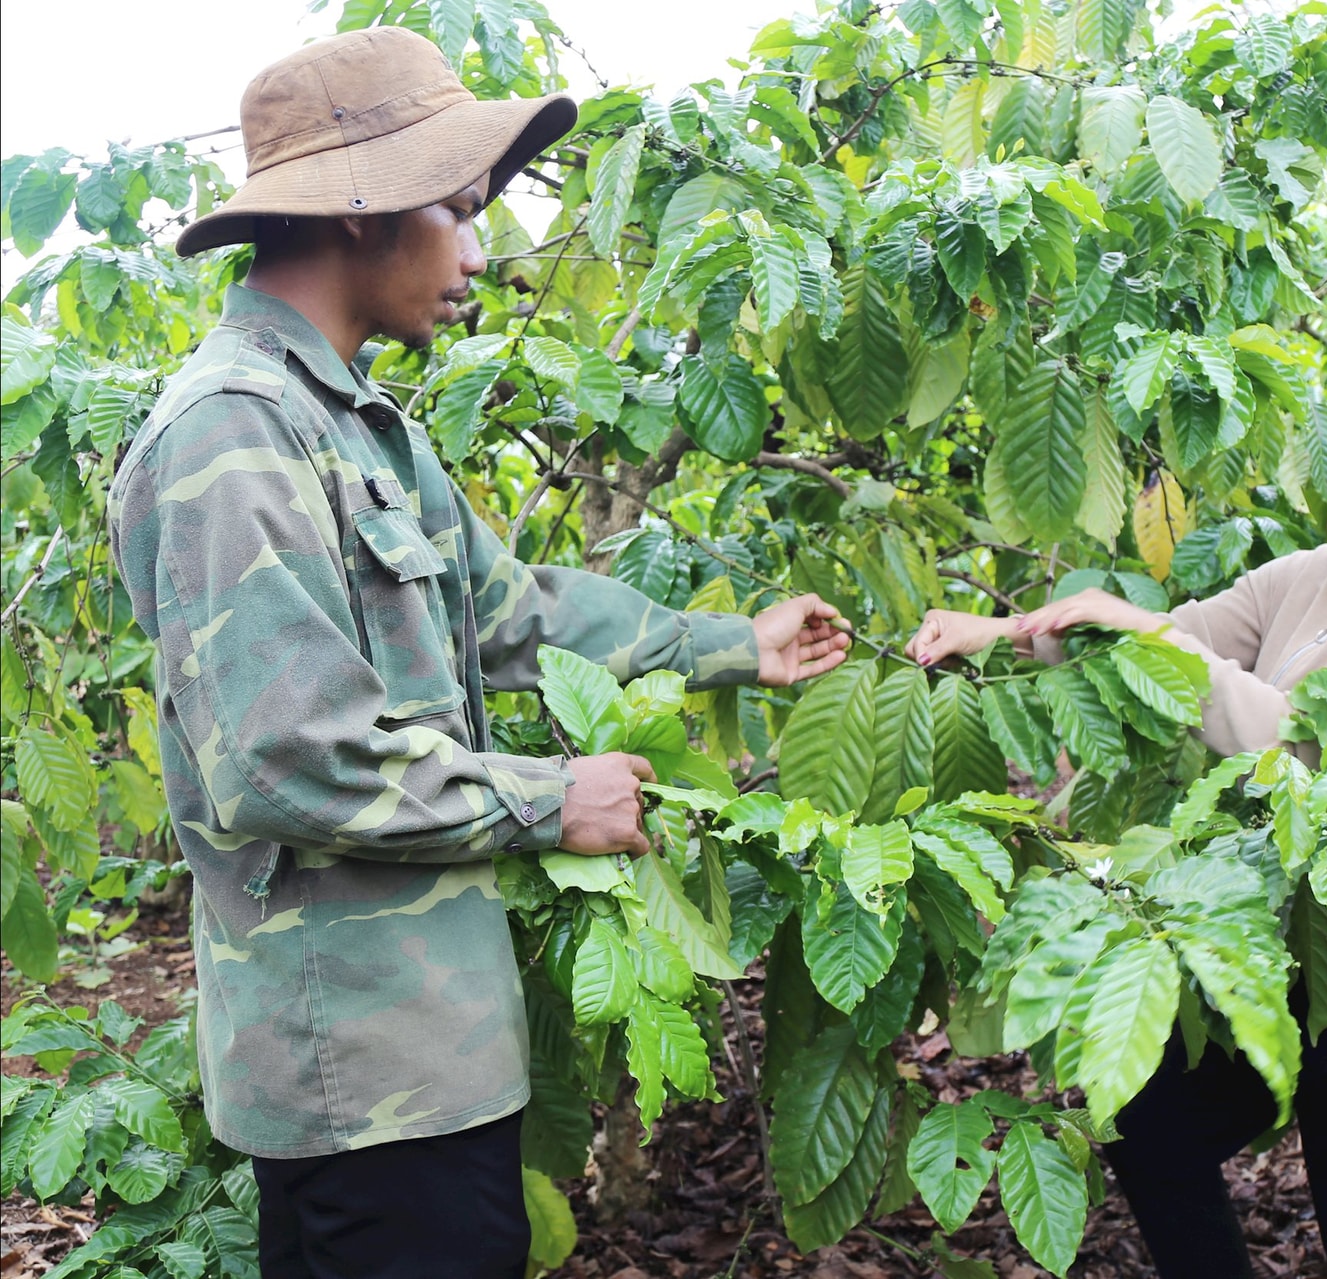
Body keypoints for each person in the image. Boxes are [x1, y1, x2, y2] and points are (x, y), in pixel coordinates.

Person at [106, 27, 849, 1279]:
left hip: (428, 1045)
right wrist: (554, 799)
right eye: (457, 208)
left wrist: (736, 647)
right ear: (360, 214)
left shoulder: (356, 422)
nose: (479, 249)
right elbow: (286, 756)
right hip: (359, 1067)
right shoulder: (234, 436)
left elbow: (511, 609)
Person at [906, 364, 1327, 1279]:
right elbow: (1184, 633)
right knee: (1148, 1120)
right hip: (1271, 941)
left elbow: (1299, 749)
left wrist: (1139, 630)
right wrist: (997, 635)